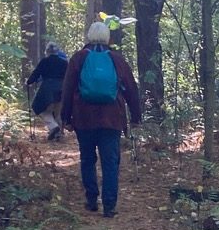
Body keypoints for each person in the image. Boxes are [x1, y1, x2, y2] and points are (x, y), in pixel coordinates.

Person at [60, 21, 141, 218]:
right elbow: (131, 89)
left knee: (87, 158)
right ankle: (109, 205)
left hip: (83, 117)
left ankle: (91, 200)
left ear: (89, 36)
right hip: (112, 118)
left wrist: (66, 118)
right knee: (110, 161)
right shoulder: (117, 59)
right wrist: (136, 117)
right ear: (108, 38)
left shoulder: (78, 58)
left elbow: (68, 89)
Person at [26, 42, 68, 141]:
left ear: (47, 52)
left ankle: (53, 127)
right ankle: (58, 134)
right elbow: (69, 76)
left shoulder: (44, 61)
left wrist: (28, 82)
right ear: (57, 52)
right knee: (57, 113)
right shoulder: (64, 63)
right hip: (62, 89)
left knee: (40, 109)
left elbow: (36, 73)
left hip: (47, 89)